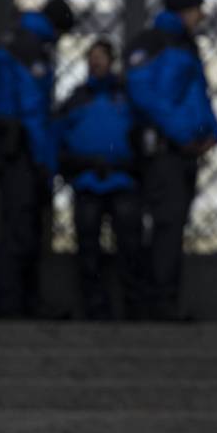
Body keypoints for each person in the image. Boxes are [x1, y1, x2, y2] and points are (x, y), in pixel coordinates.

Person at [125, 0, 217, 320]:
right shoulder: (151, 44)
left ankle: (164, 300)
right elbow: (146, 96)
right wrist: (183, 135)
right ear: (182, 11)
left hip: (183, 152)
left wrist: (213, 132)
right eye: (196, 10)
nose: (201, 17)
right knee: (165, 225)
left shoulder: (186, 45)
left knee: (173, 225)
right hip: (164, 152)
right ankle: (156, 303)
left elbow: (198, 96)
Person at [0, 0, 75, 318]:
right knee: (22, 228)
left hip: (3, 141)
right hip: (20, 147)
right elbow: (33, 109)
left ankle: (14, 302)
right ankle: (14, 305)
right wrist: (43, 163)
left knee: (16, 223)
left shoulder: (13, 39)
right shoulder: (31, 49)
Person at [56, 40, 144, 320]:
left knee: (130, 247)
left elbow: (142, 136)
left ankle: (133, 309)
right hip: (86, 181)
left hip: (123, 180)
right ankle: (93, 309)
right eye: (91, 57)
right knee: (88, 249)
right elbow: (60, 136)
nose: (95, 62)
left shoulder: (129, 97)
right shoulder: (76, 98)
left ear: (111, 60)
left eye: (101, 56)